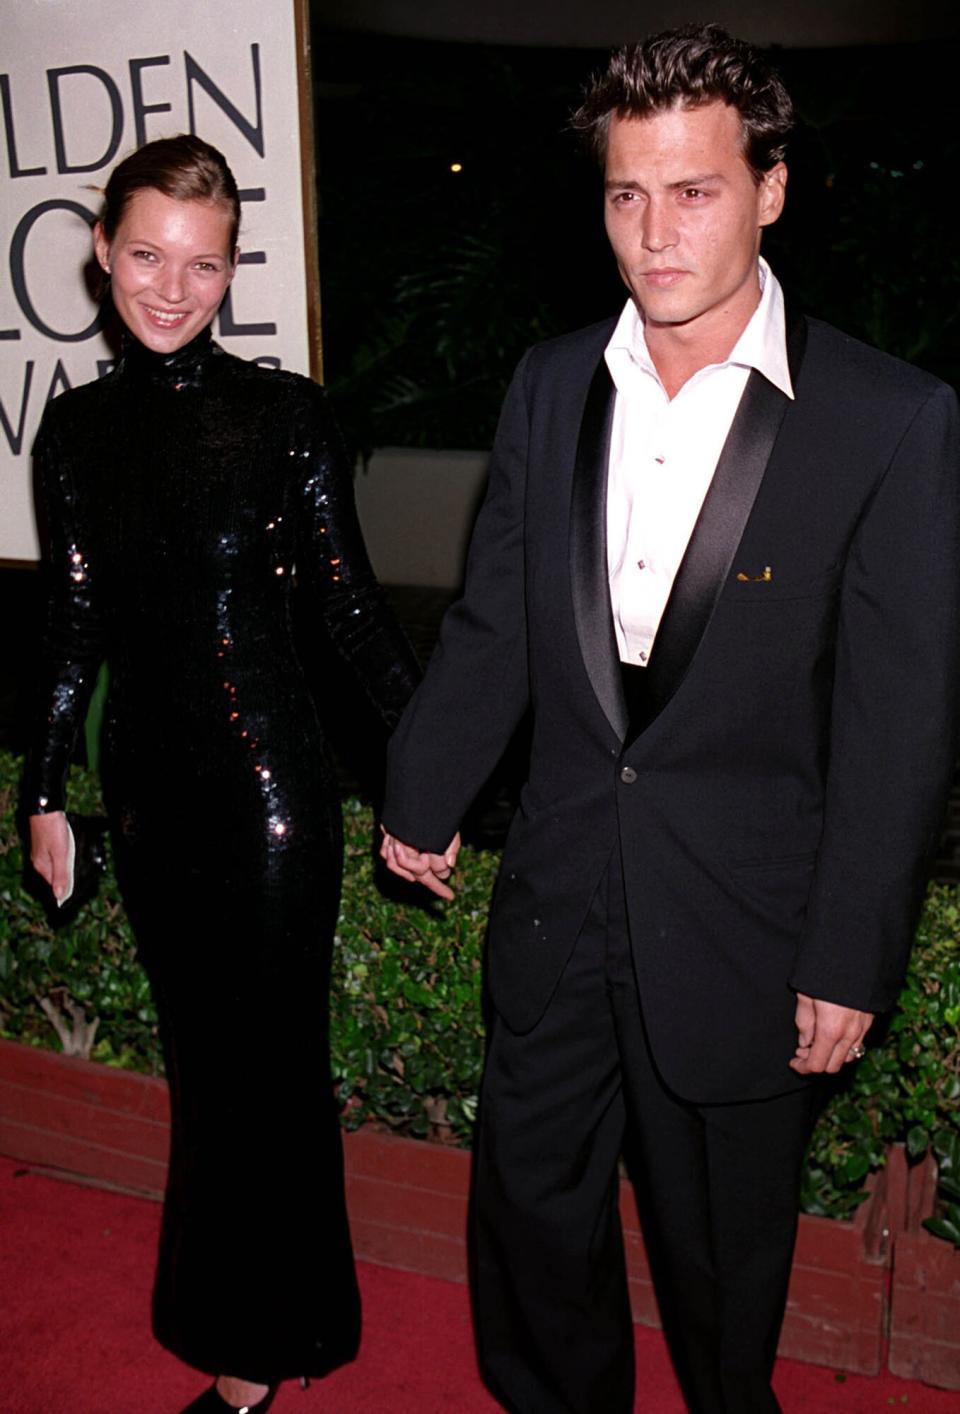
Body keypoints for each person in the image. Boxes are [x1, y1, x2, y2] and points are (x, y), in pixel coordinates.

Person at [380, 24, 960, 1414]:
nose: (654, 231)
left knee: (718, 1261)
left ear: (770, 188)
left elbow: (899, 720)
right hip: (564, 889)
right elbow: (500, 622)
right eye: (626, 193)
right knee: (531, 1215)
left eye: (693, 190)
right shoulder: (550, 380)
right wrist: (424, 786)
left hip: (747, 927)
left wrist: (851, 951)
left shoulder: (888, 416)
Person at [24, 134, 420, 1413]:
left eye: (200, 263)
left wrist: (435, 766)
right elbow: (73, 627)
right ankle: (240, 1318)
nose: (168, 287)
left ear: (233, 268)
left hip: (266, 796)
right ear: (101, 252)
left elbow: (354, 615)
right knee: (208, 1071)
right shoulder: (76, 433)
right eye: (145, 254)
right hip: (149, 798)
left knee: (268, 1074)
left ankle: (258, 1360)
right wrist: (43, 789)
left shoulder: (281, 415)